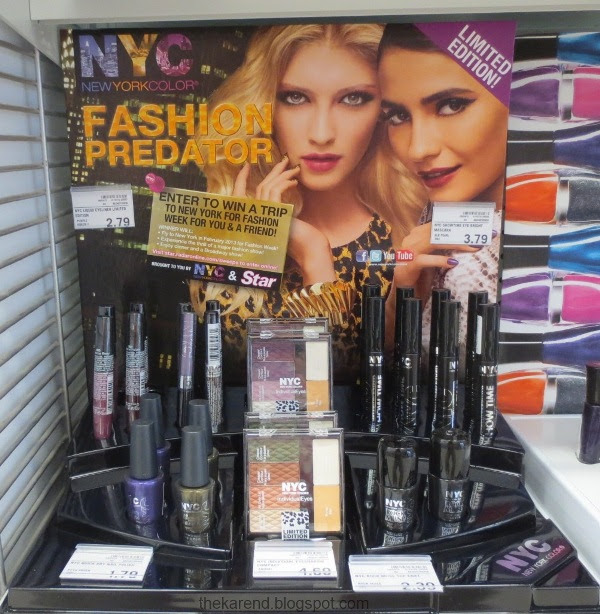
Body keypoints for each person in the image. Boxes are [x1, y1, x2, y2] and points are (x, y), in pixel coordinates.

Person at [188, 24, 426, 385]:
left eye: (353, 99)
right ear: (265, 107)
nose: (321, 133)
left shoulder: (406, 230)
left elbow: (351, 381)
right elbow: (254, 379)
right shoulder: (223, 236)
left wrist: (313, 257)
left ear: (384, 111)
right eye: (296, 98)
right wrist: (282, 243)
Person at [377, 23, 508, 372]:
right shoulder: (434, 213)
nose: (418, 149)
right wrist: (404, 294)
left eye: (451, 105)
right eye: (398, 116)